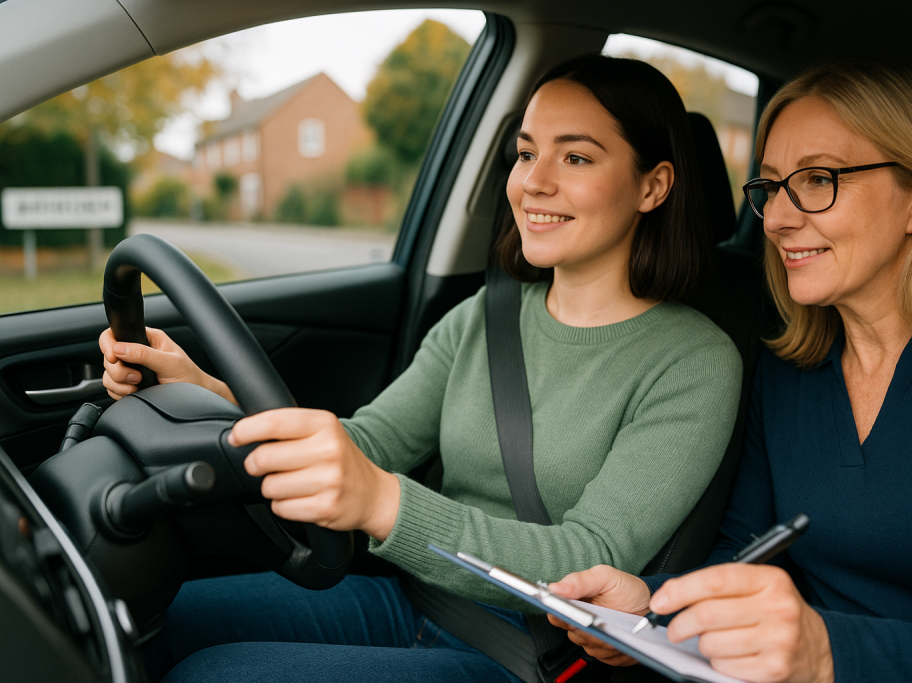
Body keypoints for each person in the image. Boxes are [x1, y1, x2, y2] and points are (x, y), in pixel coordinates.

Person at [99, 54, 742, 682]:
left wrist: (382, 503)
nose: (533, 182)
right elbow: (373, 442)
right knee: (141, 615)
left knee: (219, 675)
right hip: (418, 598)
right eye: (525, 154)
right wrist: (209, 392)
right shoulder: (482, 318)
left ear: (653, 186)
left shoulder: (695, 363)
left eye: (575, 157)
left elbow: (590, 559)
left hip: (530, 651)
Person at [547, 58, 912, 683]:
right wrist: (652, 606)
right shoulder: (790, 367)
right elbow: (743, 556)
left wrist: (828, 653)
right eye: (771, 186)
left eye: (819, 179)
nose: (774, 220)